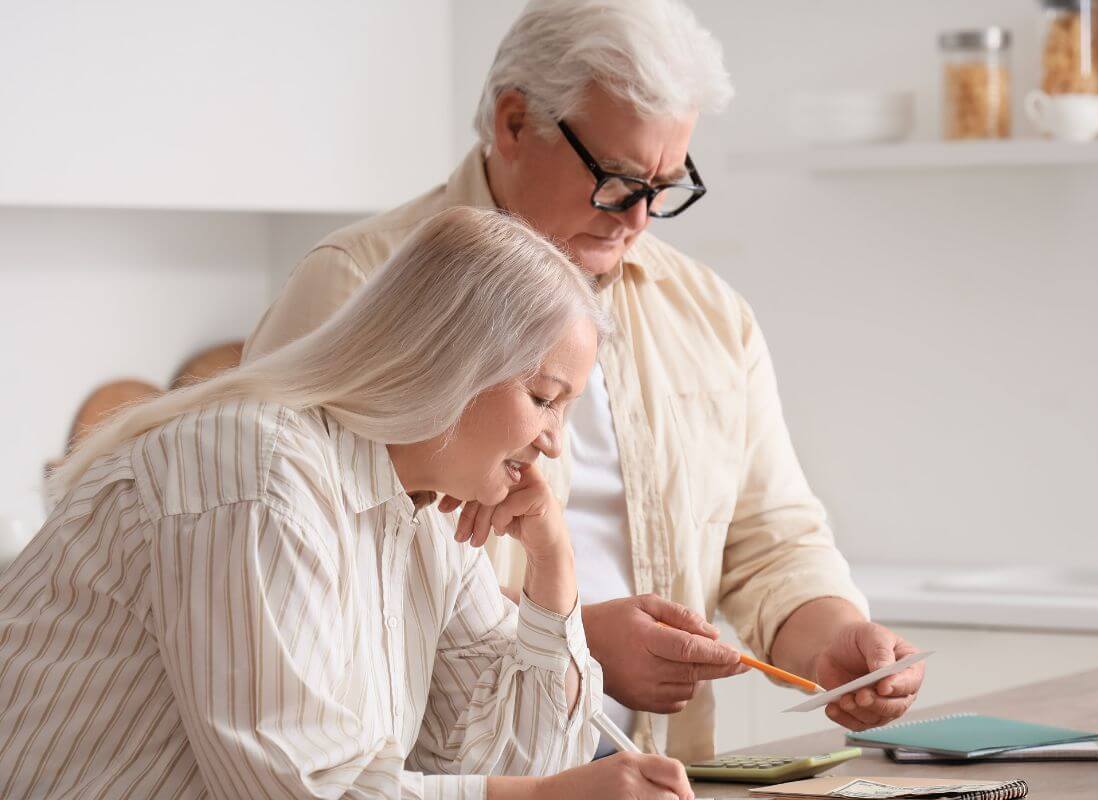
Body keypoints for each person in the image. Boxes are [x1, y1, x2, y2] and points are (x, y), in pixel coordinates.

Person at [245, 0, 925, 762]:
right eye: (617, 179)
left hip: (649, 767)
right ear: (512, 124)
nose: (639, 219)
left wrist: (831, 637)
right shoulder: (357, 287)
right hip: (431, 775)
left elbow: (772, 540)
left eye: (666, 186)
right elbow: (284, 562)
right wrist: (568, 635)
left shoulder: (708, 314)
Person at [0, 208, 697, 800]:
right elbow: (298, 787)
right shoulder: (258, 473)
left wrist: (555, 566)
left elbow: (506, 762)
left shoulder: (427, 513)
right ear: (451, 359)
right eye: (543, 399)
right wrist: (546, 799)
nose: (551, 442)